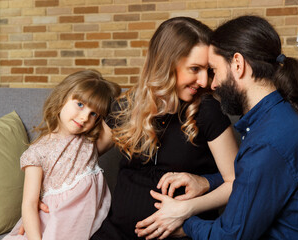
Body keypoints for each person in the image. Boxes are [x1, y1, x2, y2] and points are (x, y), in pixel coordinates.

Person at [138, 15, 298, 239]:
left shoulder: (268, 141)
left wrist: (185, 222)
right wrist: (207, 182)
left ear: (237, 64)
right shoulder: (274, 118)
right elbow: (255, 180)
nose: (211, 84)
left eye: (214, 70)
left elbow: (231, 235)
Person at [91, 16, 238, 240]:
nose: (204, 81)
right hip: (117, 233)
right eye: (195, 69)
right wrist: (38, 207)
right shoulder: (128, 106)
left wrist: (187, 209)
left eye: (207, 70)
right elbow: (78, 156)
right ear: (167, 64)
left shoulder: (208, 111)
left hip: (181, 234)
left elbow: (237, 182)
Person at [3, 69, 120, 240]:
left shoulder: (89, 144)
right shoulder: (38, 151)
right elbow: (29, 203)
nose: (84, 117)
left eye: (93, 113)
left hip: (92, 228)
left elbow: (125, 110)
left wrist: (107, 92)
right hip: (53, 224)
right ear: (62, 97)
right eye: (80, 104)